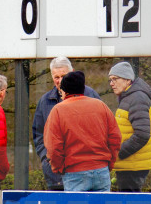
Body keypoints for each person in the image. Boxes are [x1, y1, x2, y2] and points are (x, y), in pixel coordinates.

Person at [32, 56, 102, 191]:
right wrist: (47, 159)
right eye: (56, 77)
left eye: (64, 76)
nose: (60, 81)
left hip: (87, 170)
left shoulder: (91, 96)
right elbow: (38, 134)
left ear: (73, 72)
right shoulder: (44, 101)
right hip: (55, 175)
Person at [43, 71, 120, 192]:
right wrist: (109, 163)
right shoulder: (101, 105)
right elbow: (115, 138)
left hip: (74, 172)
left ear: (64, 91)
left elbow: (53, 146)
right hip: (101, 170)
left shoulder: (58, 110)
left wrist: (58, 168)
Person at [108, 61, 151, 192]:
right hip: (129, 165)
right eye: (110, 80)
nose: (111, 83)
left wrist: (119, 152)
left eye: (115, 79)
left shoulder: (137, 98)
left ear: (128, 80)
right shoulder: (129, 97)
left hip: (133, 167)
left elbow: (142, 135)